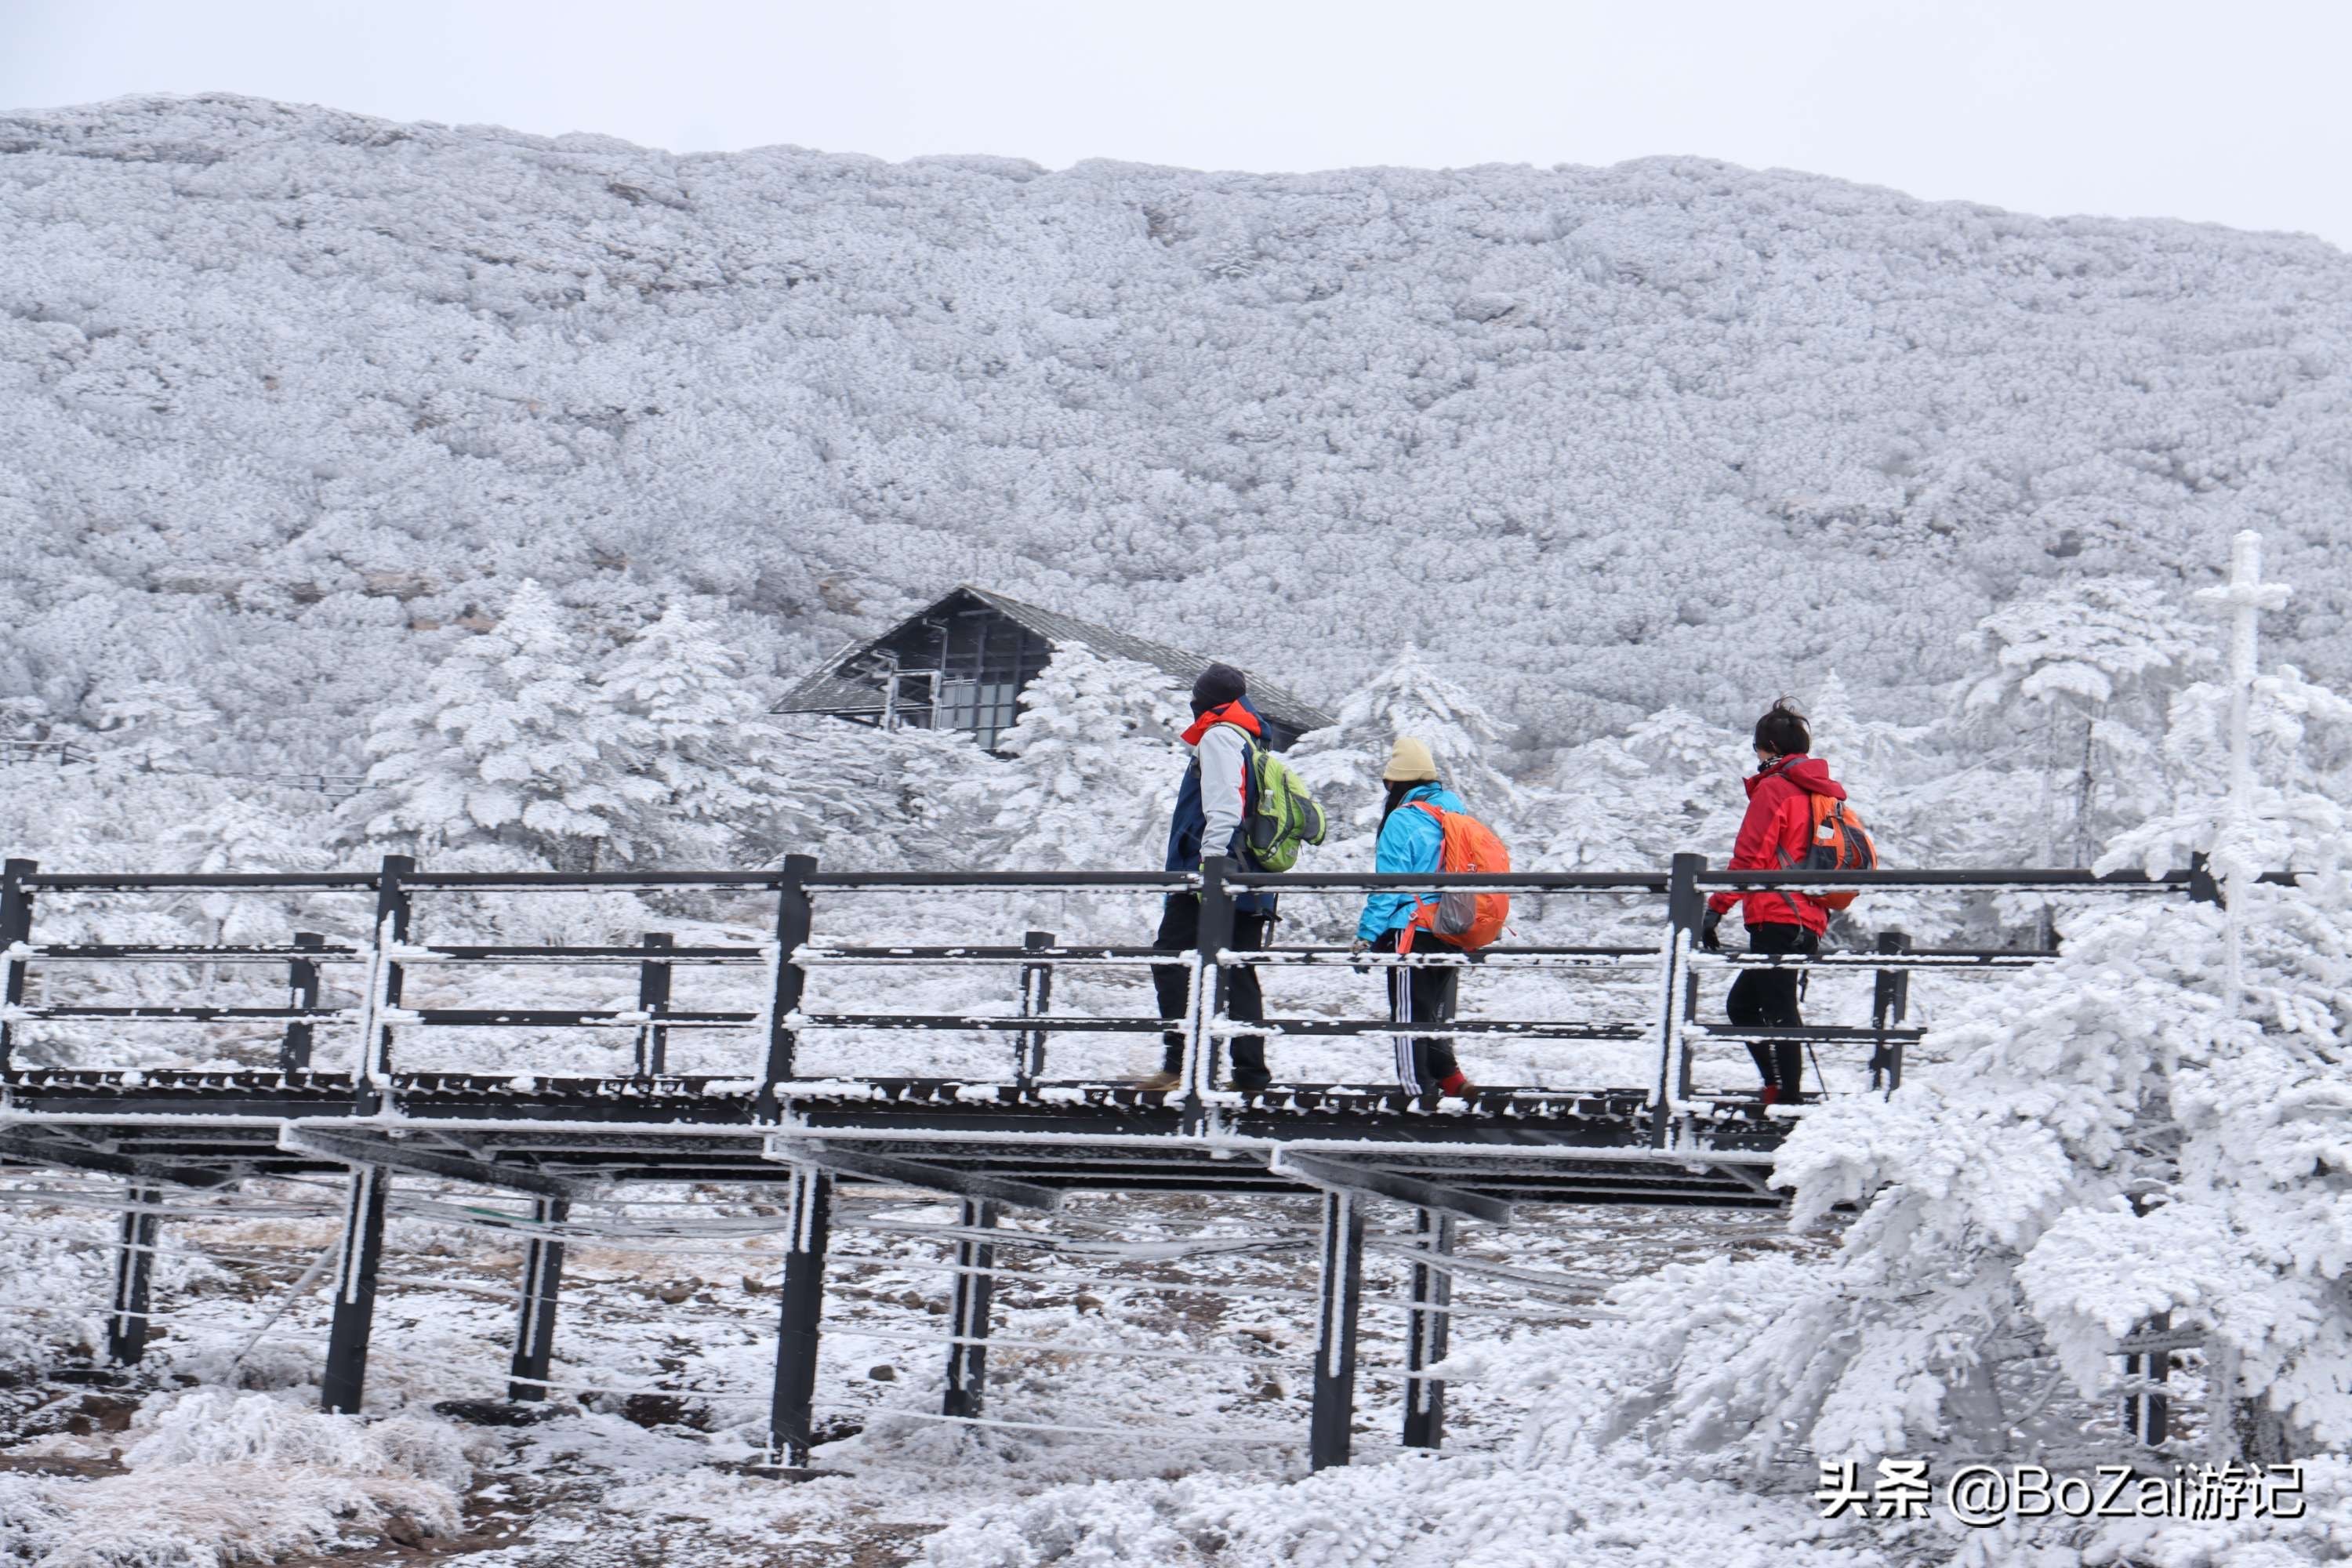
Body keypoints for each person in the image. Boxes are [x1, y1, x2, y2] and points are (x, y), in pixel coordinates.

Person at [1699, 699, 1845, 1105]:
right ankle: (1780, 1089)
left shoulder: (1776, 790)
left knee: (1772, 1010)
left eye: (1757, 748)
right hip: (1810, 916)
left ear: (1769, 748)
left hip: (1778, 916)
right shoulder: (1821, 794)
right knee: (1750, 1006)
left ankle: (1785, 1100)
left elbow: (1750, 858)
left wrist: (1716, 908)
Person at [1138, 663, 1274, 1093]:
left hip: (1210, 874)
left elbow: (1224, 808)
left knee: (1171, 959)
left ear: (1205, 700)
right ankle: (1250, 1075)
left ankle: (1181, 1065)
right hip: (1248, 875)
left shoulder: (1219, 735)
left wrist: (1208, 865)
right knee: (1237, 970)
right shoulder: (1252, 739)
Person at [1346, 738, 1477, 1100]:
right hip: (1452, 927)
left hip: (1413, 929)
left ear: (1398, 783)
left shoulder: (1403, 820)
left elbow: (1388, 885)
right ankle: (1450, 1078)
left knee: (1407, 1014)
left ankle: (1416, 1093)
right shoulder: (1455, 811)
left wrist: (1366, 936)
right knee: (1427, 1011)